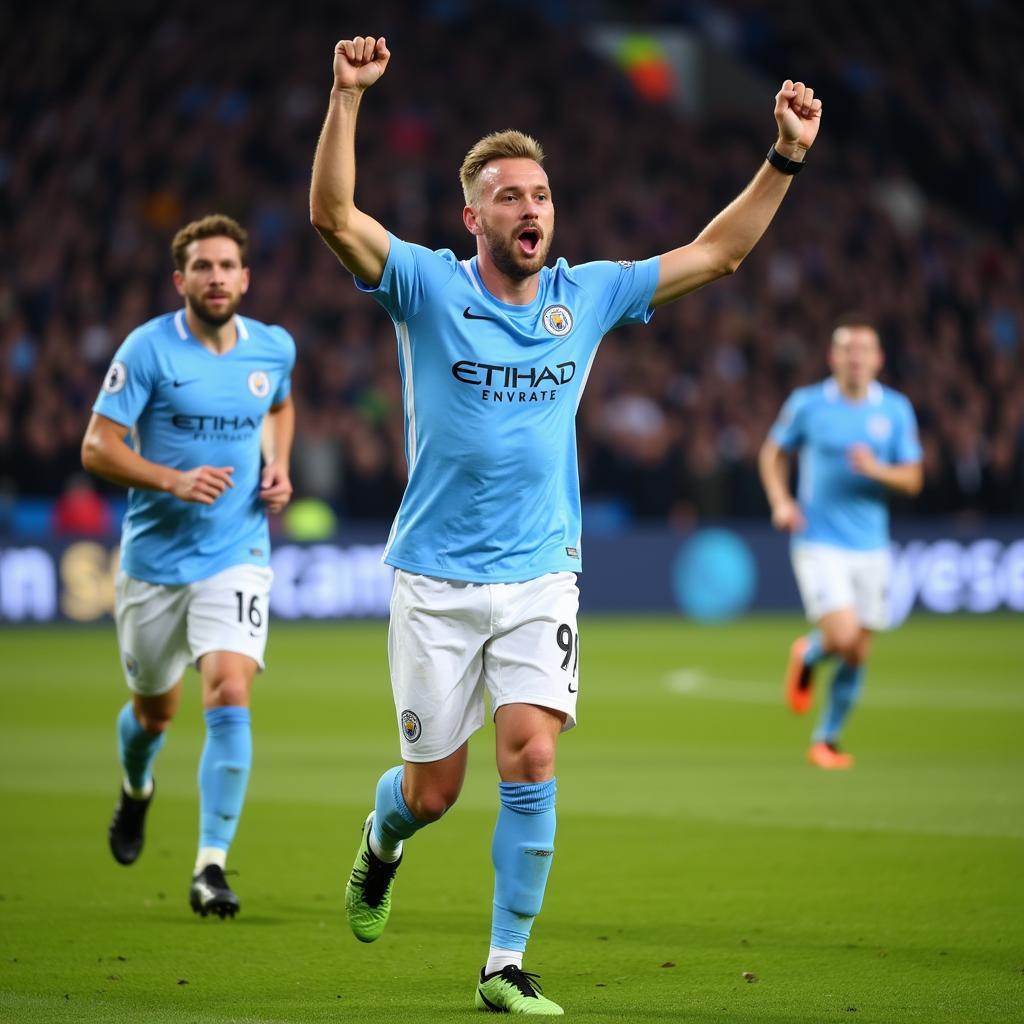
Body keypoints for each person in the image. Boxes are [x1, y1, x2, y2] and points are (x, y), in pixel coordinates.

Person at [310, 34, 821, 1015]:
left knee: (533, 754)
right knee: (431, 794)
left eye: (540, 194)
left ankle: (503, 964)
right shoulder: (425, 286)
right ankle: (380, 846)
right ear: (473, 216)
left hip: (542, 569)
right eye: (509, 195)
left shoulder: (586, 294)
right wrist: (346, 96)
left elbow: (719, 254)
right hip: (433, 577)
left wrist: (784, 156)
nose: (530, 208)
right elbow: (331, 214)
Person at [81, 214, 296, 918]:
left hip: (237, 550)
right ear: (182, 280)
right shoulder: (148, 350)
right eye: (202, 267)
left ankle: (211, 866)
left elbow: (281, 406)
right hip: (153, 561)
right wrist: (171, 480)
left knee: (230, 691)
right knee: (154, 713)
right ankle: (137, 789)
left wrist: (278, 464)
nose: (215, 277)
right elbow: (97, 447)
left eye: (227, 265)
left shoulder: (272, 348)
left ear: (244, 277)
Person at [758, 317, 923, 769]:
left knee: (858, 650)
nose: (855, 358)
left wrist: (876, 471)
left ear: (878, 359)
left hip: (872, 546)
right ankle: (814, 649)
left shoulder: (895, 410)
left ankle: (825, 739)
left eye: (864, 350)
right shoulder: (809, 405)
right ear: (833, 358)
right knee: (845, 637)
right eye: (847, 349)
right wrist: (781, 501)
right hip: (819, 541)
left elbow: (912, 480)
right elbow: (772, 453)